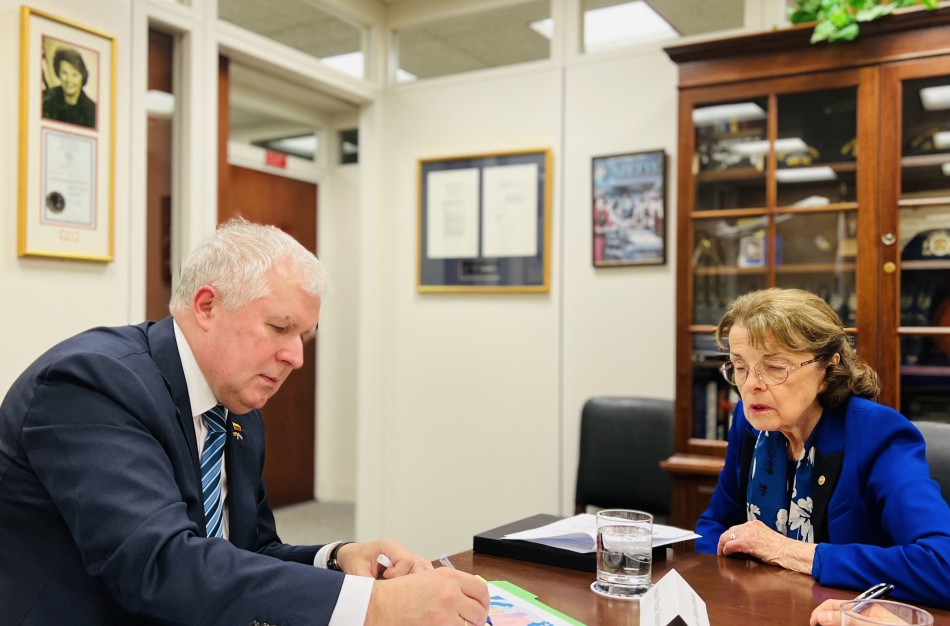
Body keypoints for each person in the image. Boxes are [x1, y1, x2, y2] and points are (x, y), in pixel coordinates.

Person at [0, 218, 489, 625]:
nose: (296, 356)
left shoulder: (237, 408)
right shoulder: (94, 383)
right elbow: (158, 566)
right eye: (280, 327)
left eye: (304, 336)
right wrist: (373, 607)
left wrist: (338, 558)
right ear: (207, 306)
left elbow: (249, 551)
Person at [695, 288, 950, 609]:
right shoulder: (749, 424)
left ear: (827, 370)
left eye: (775, 367)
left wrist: (788, 551)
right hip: (758, 608)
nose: (751, 385)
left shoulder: (877, 433)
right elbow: (713, 527)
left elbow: (941, 566)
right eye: (740, 366)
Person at [42, 45, 97, 128]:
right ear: (58, 73)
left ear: (82, 77)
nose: (69, 80)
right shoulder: (44, 98)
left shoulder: (93, 111)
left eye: (74, 75)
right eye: (64, 73)